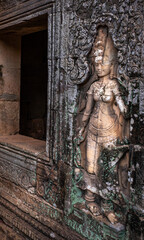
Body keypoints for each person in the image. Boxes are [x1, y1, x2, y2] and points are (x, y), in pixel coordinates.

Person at [77, 26, 127, 224]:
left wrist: (119, 102)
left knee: (108, 169)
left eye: (103, 62)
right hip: (92, 131)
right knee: (90, 165)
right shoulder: (93, 86)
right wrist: (81, 127)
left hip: (110, 131)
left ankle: (108, 206)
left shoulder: (114, 85)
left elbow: (123, 109)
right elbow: (87, 111)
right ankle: (90, 199)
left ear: (112, 64)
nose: (98, 66)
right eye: (96, 62)